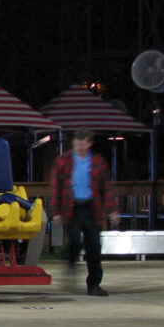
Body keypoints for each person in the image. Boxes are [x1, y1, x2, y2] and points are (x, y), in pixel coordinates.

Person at [50, 126, 119, 296]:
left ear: (89, 143)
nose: (80, 147)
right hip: (72, 208)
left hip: (92, 208)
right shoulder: (62, 161)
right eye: (77, 143)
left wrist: (112, 210)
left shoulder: (97, 161)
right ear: (73, 143)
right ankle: (70, 263)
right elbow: (56, 187)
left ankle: (94, 284)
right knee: (74, 242)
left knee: (94, 246)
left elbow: (106, 187)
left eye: (83, 144)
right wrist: (57, 211)